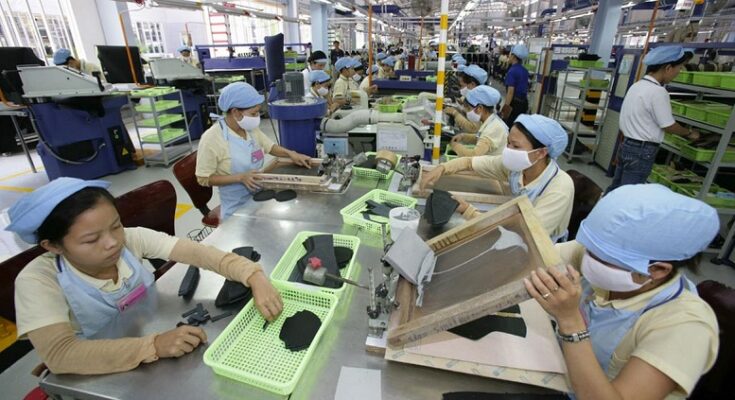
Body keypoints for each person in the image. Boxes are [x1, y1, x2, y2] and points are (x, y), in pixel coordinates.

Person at [7, 178, 284, 375]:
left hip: (148, 332)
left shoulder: (131, 239)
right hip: (100, 368)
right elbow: (61, 355)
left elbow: (201, 254)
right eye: (91, 240)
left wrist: (253, 275)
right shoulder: (38, 281)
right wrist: (153, 346)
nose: (113, 242)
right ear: (53, 246)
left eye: (116, 226)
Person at [525, 184, 719, 400]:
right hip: (558, 373)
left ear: (657, 270)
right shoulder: (599, 253)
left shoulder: (686, 326)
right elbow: (533, 259)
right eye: (591, 250)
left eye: (604, 260)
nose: (588, 259)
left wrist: (570, 321)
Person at [421, 114, 573, 242]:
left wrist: (469, 211)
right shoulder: (517, 168)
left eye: (516, 146)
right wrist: (441, 168)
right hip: (514, 228)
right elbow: (469, 162)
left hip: (538, 248)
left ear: (540, 153)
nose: (508, 150)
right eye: (508, 143)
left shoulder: (559, 188)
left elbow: (524, 234)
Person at [195, 82, 312, 219]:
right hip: (236, 207)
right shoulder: (212, 138)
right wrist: (240, 177)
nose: (257, 117)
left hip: (261, 197)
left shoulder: (249, 129)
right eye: (253, 113)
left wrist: (291, 154)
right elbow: (203, 178)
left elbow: (270, 147)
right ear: (235, 112)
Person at [606, 46, 699, 193]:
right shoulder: (658, 92)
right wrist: (689, 133)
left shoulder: (637, 86)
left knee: (617, 190)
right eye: (679, 68)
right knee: (631, 194)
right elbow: (668, 125)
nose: (678, 72)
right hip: (642, 150)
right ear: (668, 68)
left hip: (627, 145)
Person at [450, 85, 508, 157]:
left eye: (468, 108)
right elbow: (480, 138)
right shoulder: (491, 120)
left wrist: (455, 146)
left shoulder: (493, 129)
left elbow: (474, 155)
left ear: (480, 108)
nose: (467, 111)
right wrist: (463, 137)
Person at [444, 64, 488, 133]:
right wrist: (460, 109)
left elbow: (473, 128)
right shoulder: (476, 97)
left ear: (472, 84)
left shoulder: (479, 102)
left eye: (462, 86)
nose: (461, 89)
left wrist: (455, 113)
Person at [501, 44, 530, 127]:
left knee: (509, 126)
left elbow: (510, 92)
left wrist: (505, 108)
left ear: (514, 56)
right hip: (524, 103)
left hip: (515, 105)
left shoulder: (512, 71)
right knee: (519, 126)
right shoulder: (525, 70)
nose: (509, 56)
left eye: (510, 54)